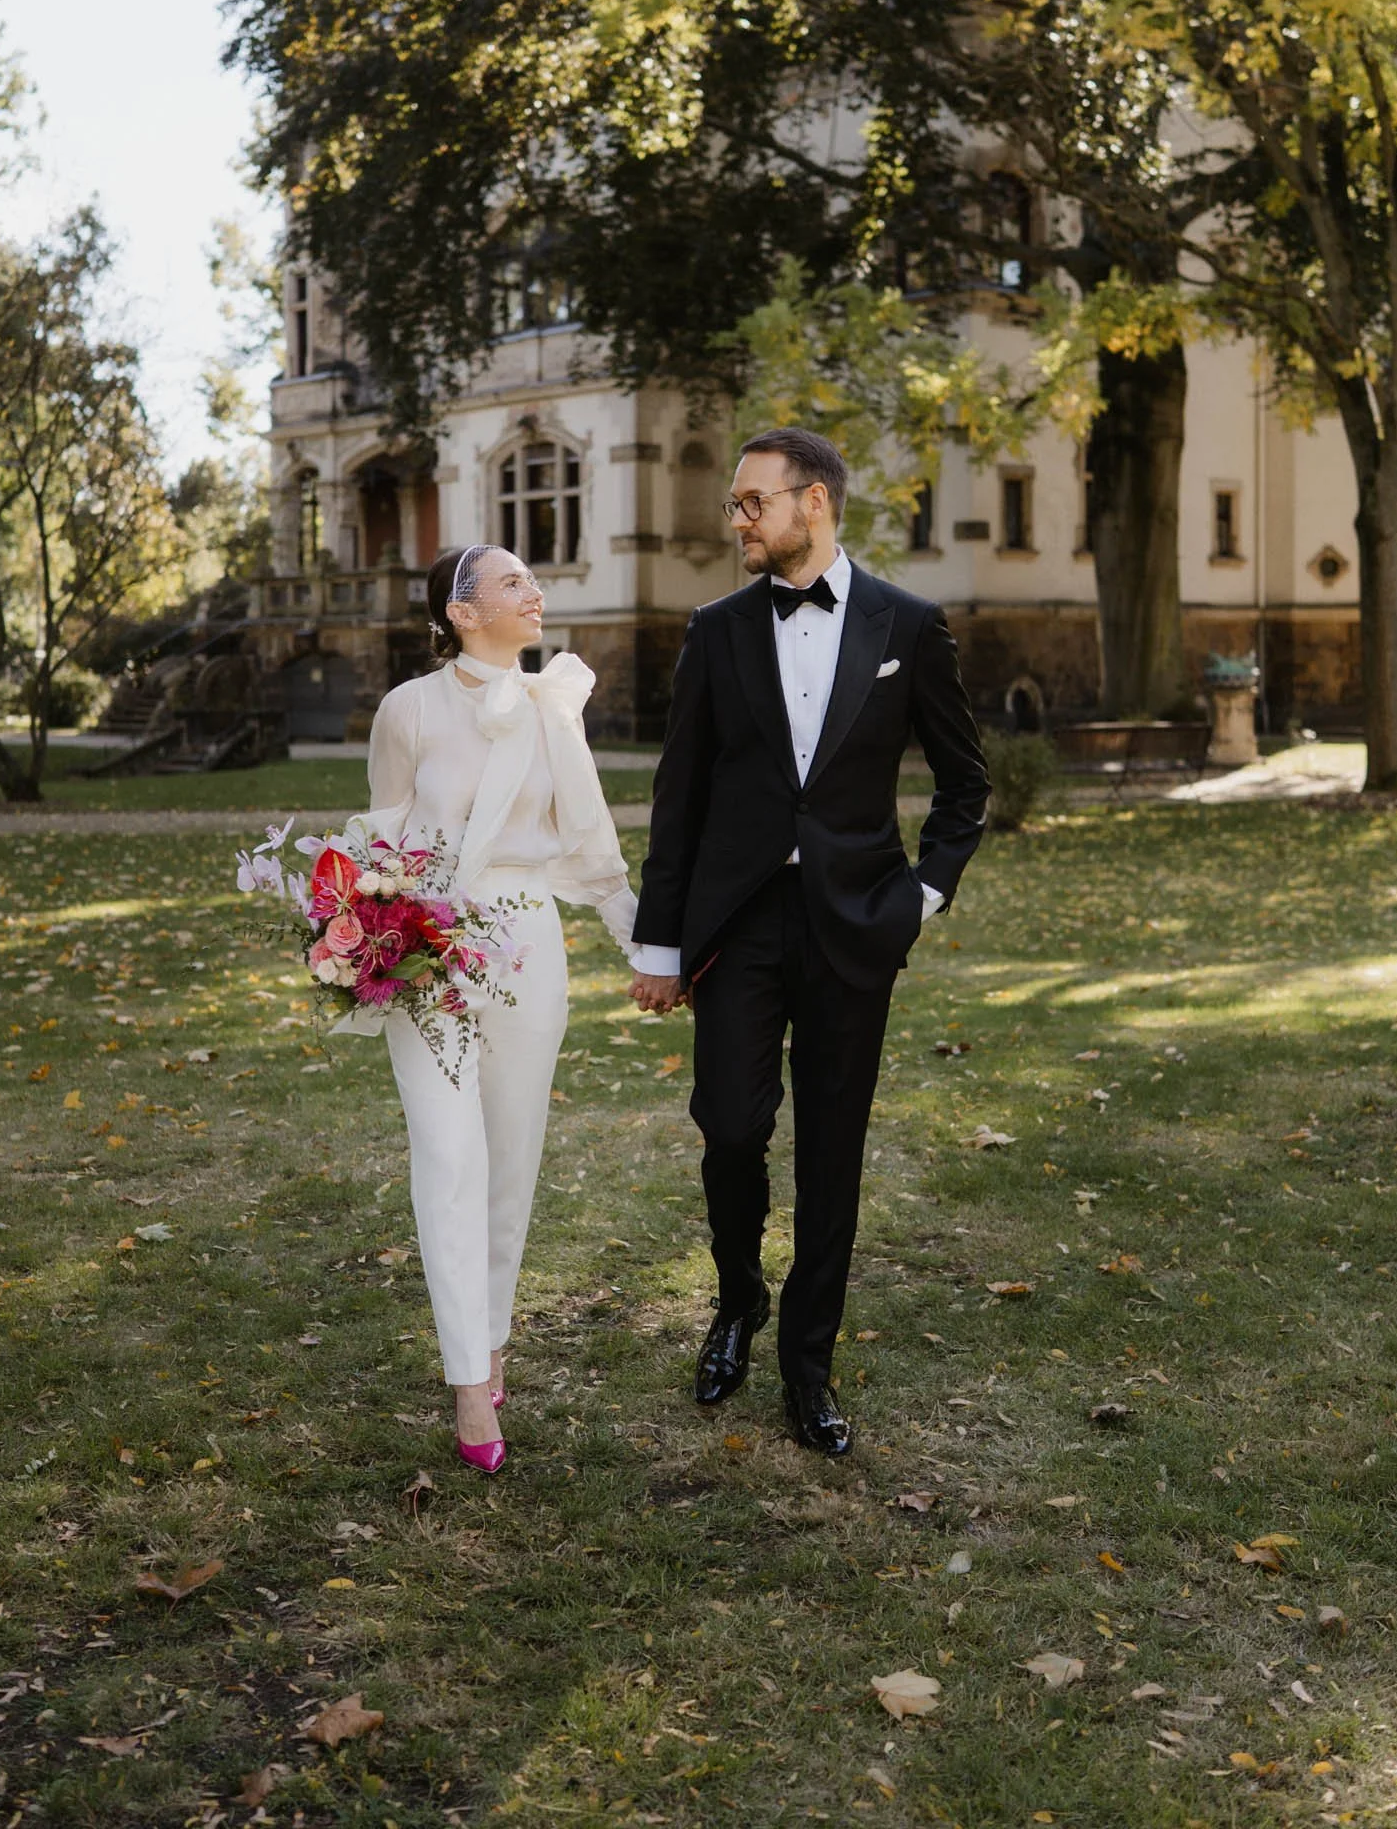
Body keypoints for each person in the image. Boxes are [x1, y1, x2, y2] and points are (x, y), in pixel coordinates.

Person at [630, 429, 989, 1456]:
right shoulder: (716, 629)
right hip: (735, 924)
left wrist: (919, 898)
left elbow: (965, 788)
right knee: (731, 1127)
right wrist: (660, 944)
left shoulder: (907, 626)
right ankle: (736, 1296)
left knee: (833, 1152)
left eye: (752, 502)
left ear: (814, 503)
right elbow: (679, 797)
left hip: (854, 924)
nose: (736, 519)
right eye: (736, 504)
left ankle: (807, 1364)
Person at [354, 543, 637, 1474]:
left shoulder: (557, 705)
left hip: (526, 943)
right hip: (428, 948)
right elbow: (381, 836)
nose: (537, 590)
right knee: (448, 1152)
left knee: (511, 1156)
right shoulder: (409, 709)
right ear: (463, 611)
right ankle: (468, 1377)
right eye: (515, 581)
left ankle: (496, 1329)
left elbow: (591, 842)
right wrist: (360, 932)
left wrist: (645, 942)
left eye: (534, 580)